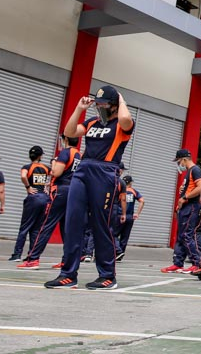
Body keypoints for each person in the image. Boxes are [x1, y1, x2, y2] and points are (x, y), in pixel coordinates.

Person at [45, 86, 135, 290]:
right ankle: (68, 274)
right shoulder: (92, 122)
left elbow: (125, 119)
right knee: (72, 221)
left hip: (105, 172)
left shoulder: (123, 124)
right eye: (98, 104)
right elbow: (69, 132)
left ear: (114, 105)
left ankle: (107, 276)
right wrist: (79, 109)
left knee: (100, 224)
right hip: (83, 170)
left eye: (104, 104)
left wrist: (121, 100)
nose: (100, 107)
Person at [19, 137, 81, 269]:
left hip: (60, 191)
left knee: (46, 224)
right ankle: (66, 261)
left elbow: (56, 173)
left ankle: (33, 258)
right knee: (66, 228)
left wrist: (54, 162)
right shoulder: (79, 155)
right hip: (73, 191)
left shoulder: (65, 152)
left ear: (66, 139)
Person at [162, 149, 201, 274]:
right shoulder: (189, 172)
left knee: (187, 235)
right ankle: (177, 263)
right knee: (181, 236)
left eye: (179, 161)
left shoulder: (195, 170)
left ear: (184, 159)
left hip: (191, 206)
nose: (179, 164)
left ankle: (197, 263)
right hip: (185, 207)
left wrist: (185, 197)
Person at [10, 146, 51, 261]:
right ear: (40, 156)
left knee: (25, 227)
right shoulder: (46, 168)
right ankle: (32, 255)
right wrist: (47, 186)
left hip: (33, 198)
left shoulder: (27, 167)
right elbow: (55, 175)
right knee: (36, 229)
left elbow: (23, 176)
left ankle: (17, 254)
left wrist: (28, 187)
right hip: (44, 198)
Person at [117, 175, 144, 258]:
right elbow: (142, 201)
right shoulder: (133, 191)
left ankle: (118, 251)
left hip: (120, 215)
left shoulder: (120, 190)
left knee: (114, 234)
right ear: (130, 183)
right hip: (129, 217)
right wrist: (137, 213)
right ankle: (120, 254)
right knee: (125, 237)